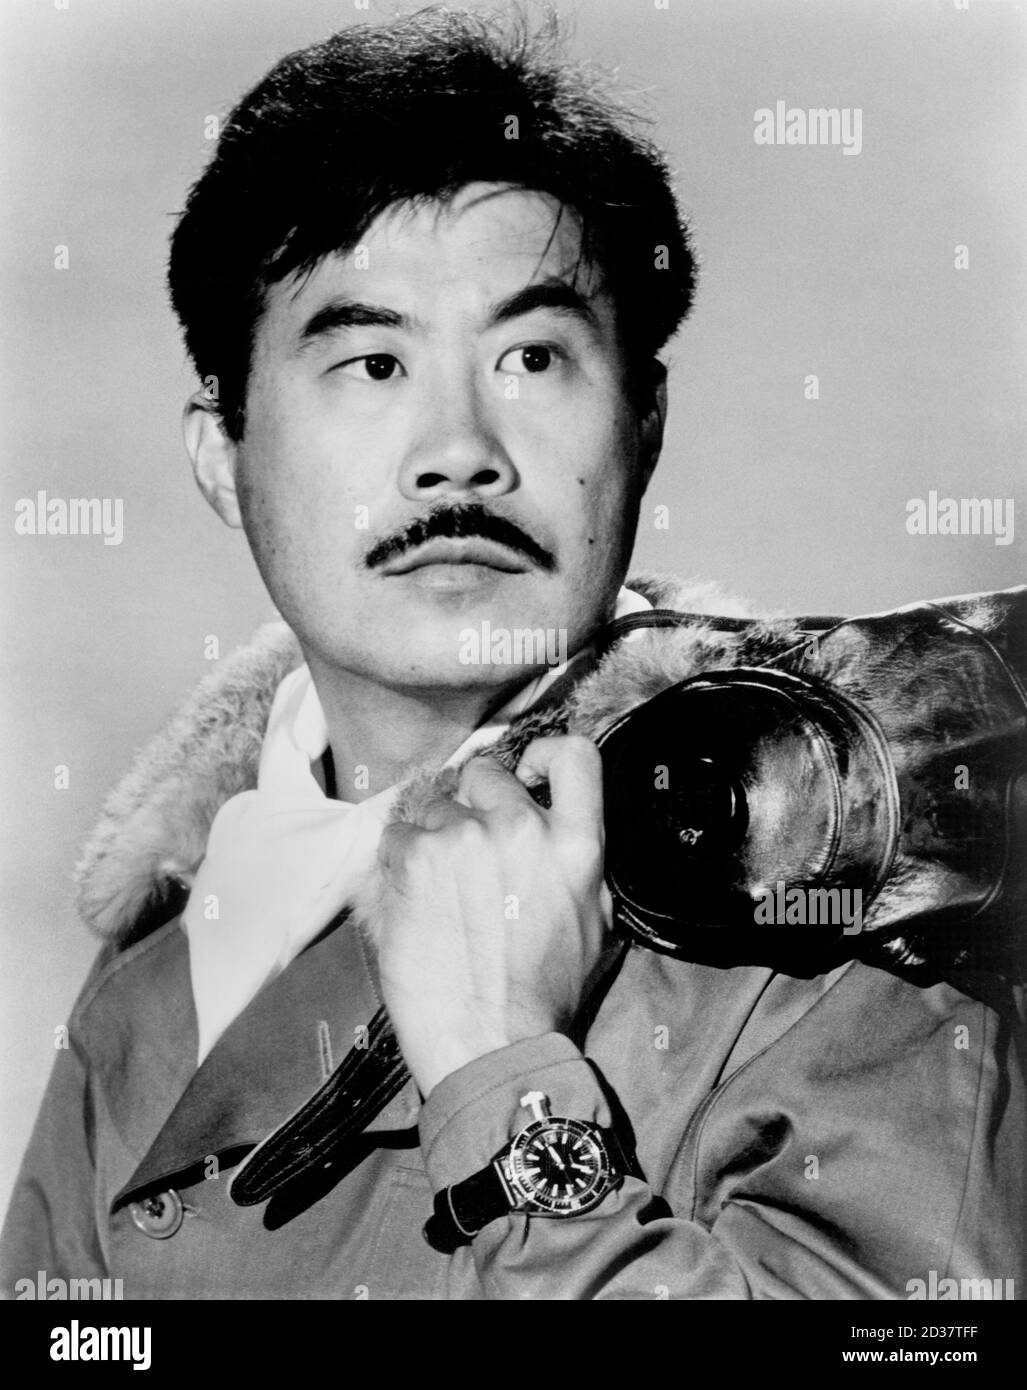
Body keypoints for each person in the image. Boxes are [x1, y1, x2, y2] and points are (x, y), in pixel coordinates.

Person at [2, 9, 1023, 1301]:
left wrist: (501, 1078)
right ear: (224, 454)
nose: (460, 449)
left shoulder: (850, 898)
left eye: (532, 356)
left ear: (645, 422)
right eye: (373, 362)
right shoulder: (154, 974)